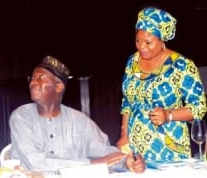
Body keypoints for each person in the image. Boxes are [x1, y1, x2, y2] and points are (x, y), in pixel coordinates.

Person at [9, 55, 146, 174]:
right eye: (32, 78)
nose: (33, 82)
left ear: (58, 86)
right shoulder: (21, 117)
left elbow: (104, 152)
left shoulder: (80, 121)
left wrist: (126, 162)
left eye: (41, 77)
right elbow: (36, 163)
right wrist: (93, 164)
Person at [116, 7, 207, 162]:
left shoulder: (182, 65)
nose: (141, 47)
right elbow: (127, 101)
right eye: (138, 40)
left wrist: (169, 115)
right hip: (135, 148)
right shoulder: (132, 61)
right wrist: (124, 134)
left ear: (162, 39)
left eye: (148, 42)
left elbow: (200, 107)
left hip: (170, 150)